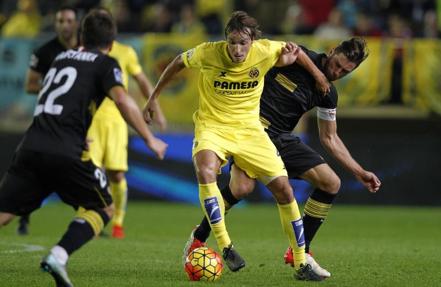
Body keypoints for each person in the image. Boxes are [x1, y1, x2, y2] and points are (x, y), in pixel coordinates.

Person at [144, 11, 329, 281]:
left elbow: (296, 51)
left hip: (250, 130)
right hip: (213, 127)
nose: (237, 49)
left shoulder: (265, 50)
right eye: (232, 42)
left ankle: (302, 261)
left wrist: (318, 77)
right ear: (225, 40)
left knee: (283, 188)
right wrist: (153, 97)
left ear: (253, 41)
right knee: (205, 171)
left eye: (243, 43)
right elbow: (177, 61)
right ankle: (226, 246)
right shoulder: (208, 53)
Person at [186, 37, 382, 278]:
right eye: (337, 65)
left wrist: (359, 172)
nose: (337, 72)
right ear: (331, 52)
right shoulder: (299, 58)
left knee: (331, 183)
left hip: (282, 138)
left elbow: (329, 138)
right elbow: (291, 48)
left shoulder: (328, 94)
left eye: (345, 71)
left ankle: (300, 251)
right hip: (250, 131)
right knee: (242, 188)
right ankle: (198, 237)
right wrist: (319, 76)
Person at [0, 10, 167, 287]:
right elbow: (123, 100)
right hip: (67, 150)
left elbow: (55, 98)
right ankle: (59, 254)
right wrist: (150, 138)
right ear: (111, 43)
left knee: (4, 213)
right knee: (102, 208)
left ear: (81, 36)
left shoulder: (59, 59)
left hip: (31, 146)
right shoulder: (105, 63)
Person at [84, 8, 167, 239]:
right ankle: (92, 220)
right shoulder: (84, 53)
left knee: (116, 175)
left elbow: (142, 81)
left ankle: (117, 222)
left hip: (116, 120)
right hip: (90, 119)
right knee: (90, 173)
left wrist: (156, 108)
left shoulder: (125, 53)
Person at [18, 5, 80, 236]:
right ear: (55, 24)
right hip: (48, 120)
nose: (65, 25)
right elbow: (30, 84)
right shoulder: (45, 52)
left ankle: (88, 217)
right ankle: (23, 216)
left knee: (82, 165)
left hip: (75, 120)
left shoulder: (84, 48)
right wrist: (57, 87)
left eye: (69, 20)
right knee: (33, 169)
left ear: (76, 23)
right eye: (61, 21)